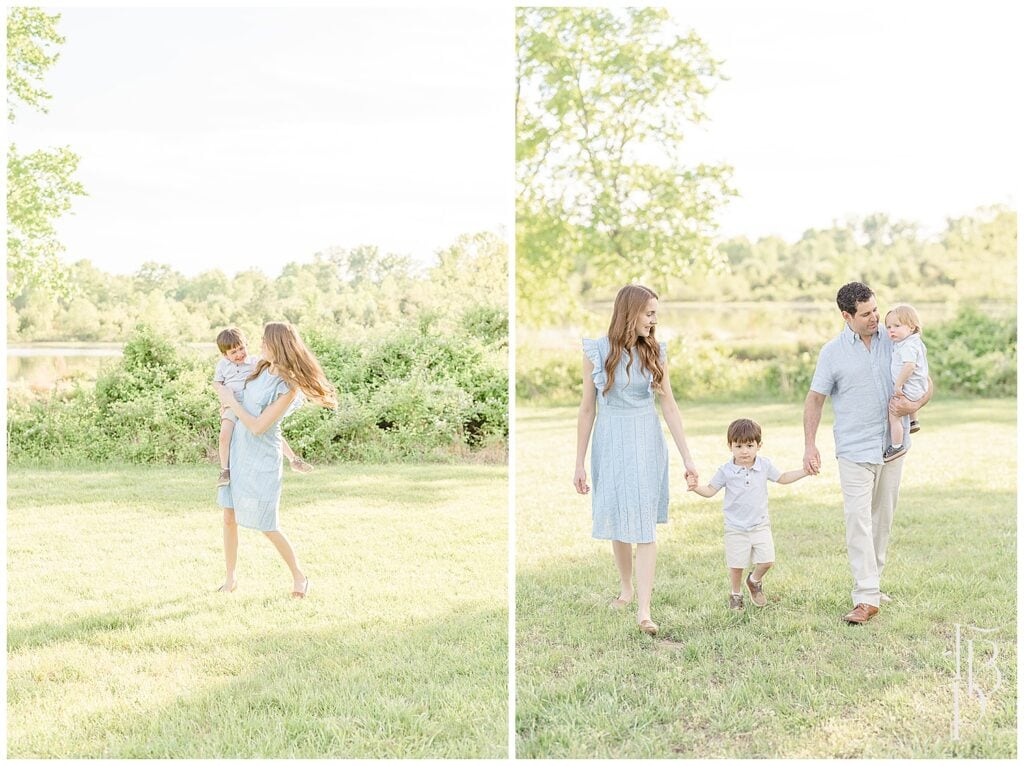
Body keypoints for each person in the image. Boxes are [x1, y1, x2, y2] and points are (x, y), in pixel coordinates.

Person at [803, 282, 933, 624]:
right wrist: (809, 444)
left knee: (882, 520)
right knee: (858, 520)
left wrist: (914, 405)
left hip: (893, 447)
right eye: (866, 314)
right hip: (854, 449)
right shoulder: (832, 353)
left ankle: (872, 584)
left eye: (876, 309)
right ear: (847, 316)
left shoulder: (897, 340)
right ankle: (865, 596)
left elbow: (926, 381)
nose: (876, 317)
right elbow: (815, 399)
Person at [574, 284, 698, 636]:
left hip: (645, 438)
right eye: (649, 313)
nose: (654, 320)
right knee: (617, 514)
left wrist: (687, 458)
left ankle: (644, 610)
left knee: (642, 521)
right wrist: (579, 462)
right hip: (610, 440)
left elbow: (669, 406)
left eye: (655, 313)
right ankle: (626, 588)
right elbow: (586, 409)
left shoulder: (655, 352)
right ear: (630, 313)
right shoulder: (596, 351)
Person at [214, 322, 337, 598]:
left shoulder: (288, 387)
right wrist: (226, 401)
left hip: (261, 458)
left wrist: (229, 401)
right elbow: (237, 400)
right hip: (238, 450)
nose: (258, 345)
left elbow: (260, 427)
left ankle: (300, 576)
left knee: (267, 524)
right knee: (229, 515)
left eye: (263, 341)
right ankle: (230, 578)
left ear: (277, 346)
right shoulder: (259, 369)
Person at [687, 418, 810, 610]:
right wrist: (695, 487)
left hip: (759, 524)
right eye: (739, 446)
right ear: (730, 446)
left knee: (767, 560)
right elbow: (710, 490)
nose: (744, 451)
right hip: (735, 527)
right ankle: (736, 594)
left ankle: (754, 581)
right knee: (736, 565)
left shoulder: (764, 465)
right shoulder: (726, 471)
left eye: (750, 445)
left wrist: (805, 471)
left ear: (759, 446)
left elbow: (783, 478)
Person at [213, 327, 313, 488]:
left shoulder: (255, 362)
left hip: (249, 403)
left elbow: (271, 371)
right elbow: (217, 383)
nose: (239, 354)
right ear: (225, 355)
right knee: (224, 435)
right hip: (231, 406)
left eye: (241, 348)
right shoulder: (223, 366)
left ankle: (293, 459)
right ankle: (224, 469)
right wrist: (224, 397)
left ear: (246, 344)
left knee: (270, 430)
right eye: (233, 352)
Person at [882, 305, 929, 462]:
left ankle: (896, 446)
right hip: (918, 386)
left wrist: (898, 385)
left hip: (910, 388)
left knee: (894, 412)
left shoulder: (908, 345)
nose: (891, 330)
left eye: (897, 326)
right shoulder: (914, 342)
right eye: (888, 327)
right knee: (903, 404)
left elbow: (909, 366)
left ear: (912, 327)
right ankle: (913, 421)